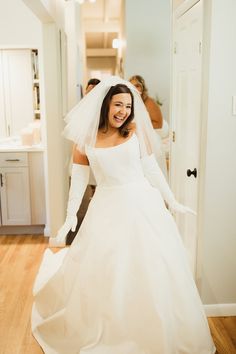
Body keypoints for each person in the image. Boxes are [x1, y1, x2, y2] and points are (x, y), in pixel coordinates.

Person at [31, 76, 215, 354]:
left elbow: (152, 170)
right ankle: (111, 329)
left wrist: (172, 201)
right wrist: (70, 217)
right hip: (107, 207)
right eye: (118, 105)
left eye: (128, 106)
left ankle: (156, 331)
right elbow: (79, 182)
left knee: (152, 268)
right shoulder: (85, 139)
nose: (124, 111)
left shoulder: (136, 132)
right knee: (109, 270)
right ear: (105, 105)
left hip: (143, 206)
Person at [129, 74, 169, 176]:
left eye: (137, 85)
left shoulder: (150, 102)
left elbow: (159, 124)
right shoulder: (128, 101)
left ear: (142, 88)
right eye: (132, 85)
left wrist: (140, 126)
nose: (134, 88)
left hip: (149, 139)